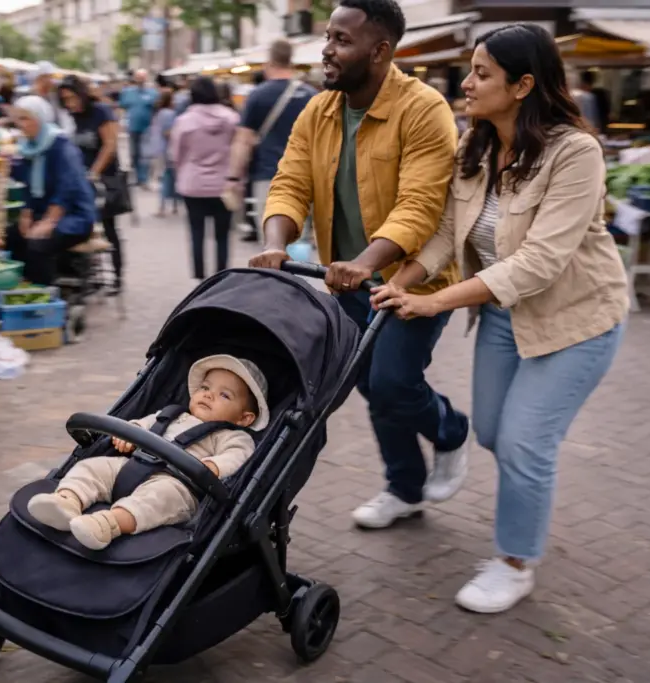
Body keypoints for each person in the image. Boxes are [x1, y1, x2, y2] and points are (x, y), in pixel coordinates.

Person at [371, 24, 628, 613]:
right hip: (506, 319)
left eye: (482, 73)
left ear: (523, 85)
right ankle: (526, 474)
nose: (467, 82)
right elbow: (444, 232)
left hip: (576, 322)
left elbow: (540, 261)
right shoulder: (475, 146)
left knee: (523, 440)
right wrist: (401, 281)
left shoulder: (575, 153)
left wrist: (437, 301)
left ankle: (515, 561)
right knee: (491, 430)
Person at [249, 0, 471, 527]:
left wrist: (365, 261)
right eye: (328, 36)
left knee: (394, 381)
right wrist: (276, 241)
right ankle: (405, 487)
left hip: (412, 280)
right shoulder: (319, 109)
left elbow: (420, 206)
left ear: (380, 51)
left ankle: (450, 430)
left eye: (341, 40)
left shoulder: (423, 109)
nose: (327, 49)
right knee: (371, 384)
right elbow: (290, 183)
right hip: (344, 279)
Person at [27, 355, 268, 550]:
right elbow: (141, 425)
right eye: (205, 387)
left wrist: (213, 467)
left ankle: (108, 524)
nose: (208, 394)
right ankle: (66, 502)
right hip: (131, 466)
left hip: (178, 484)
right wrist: (128, 433)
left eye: (224, 395)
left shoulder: (233, 436)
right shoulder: (170, 414)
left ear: (244, 418)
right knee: (91, 467)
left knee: (158, 499)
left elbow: (237, 456)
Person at [225, 39, 317, 242]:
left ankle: (276, 274)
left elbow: (243, 141)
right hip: (305, 177)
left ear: (270, 61)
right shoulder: (311, 95)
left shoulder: (258, 95)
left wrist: (233, 177)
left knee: (272, 241)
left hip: (268, 175)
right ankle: (299, 273)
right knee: (300, 237)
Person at [8, 96, 96, 287]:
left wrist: (48, 222)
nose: (19, 125)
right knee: (12, 236)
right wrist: (26, 216)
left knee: (37, 245)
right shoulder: (29, 148)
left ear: (39, 119)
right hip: (43, 213)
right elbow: (27, 187)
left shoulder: (62, 147)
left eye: (25, 119)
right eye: (18, 119)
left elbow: (67, 189)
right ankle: (21, 288)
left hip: (74, 217)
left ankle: (42, 297)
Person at [58, 75, 125, 294]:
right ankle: (87, 276)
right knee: (82, 227)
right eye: (65, 100)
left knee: (108, 228)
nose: (70, 103)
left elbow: (110, 145)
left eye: (72, 98)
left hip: (104, 181)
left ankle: (117, 277)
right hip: (81, 182)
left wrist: (93, 173)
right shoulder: (72, 117)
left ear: (82, 94)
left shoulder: (101, 111)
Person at [170, 76, 240, 280]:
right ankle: (221, 276)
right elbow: (239, 150)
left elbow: (176, 155)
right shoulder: (231, 118)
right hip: (224, 184)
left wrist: (182, 173)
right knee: (223, 234)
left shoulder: (184, 121)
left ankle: (199, 278)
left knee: (196, 232)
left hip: (193, 184)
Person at [119, 69, 160, 187]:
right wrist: (121, 124)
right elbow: (122, 108)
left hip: (147, 128)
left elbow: (157, 109)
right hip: (132, 127)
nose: (140, 80)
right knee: (134, 153)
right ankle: (137, 177)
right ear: (135, 79)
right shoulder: (127, 92)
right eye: (138, 77)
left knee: (145, 154)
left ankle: (144, 178)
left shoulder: (153, 93)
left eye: (143, 77)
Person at [149, 90, 179, 217]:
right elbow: (167, 132)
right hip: (168, 150)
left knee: (167, 177)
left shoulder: (159, 113)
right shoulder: (169, 114)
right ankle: (170, 206)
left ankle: (166, 206)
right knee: (170, 177)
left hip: (159, 150)